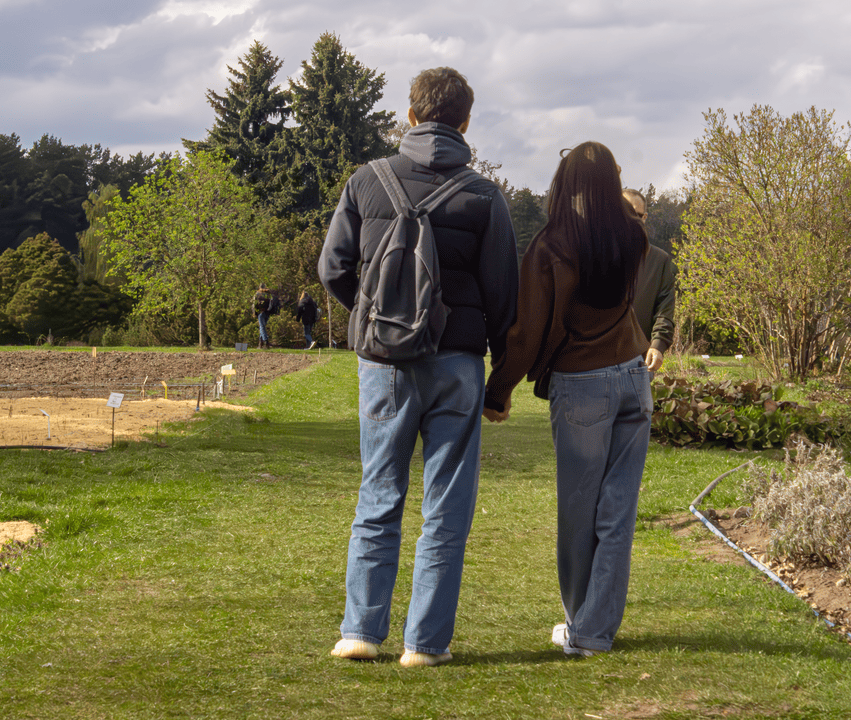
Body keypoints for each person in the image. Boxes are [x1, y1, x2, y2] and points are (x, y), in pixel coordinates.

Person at [318, 66, 518, 668]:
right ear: (464, 121)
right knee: (446, 506)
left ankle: (360, 632)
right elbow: (505, 298)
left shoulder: (366, 182)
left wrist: (378, 317)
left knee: (378, 492)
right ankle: (425, 645)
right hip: (457, 363)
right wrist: (501, 382)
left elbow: (333, 267)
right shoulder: (483, 196)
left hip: (385, 363)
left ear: (410, 116)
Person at [483, 141, 651, 657]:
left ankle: (582, 627)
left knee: (579, 513)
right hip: (634, 380)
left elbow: (526, 333)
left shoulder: (551, 247)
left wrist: (499, 389)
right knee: (618, 513)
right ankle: (595, 631)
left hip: (583, 387)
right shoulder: (634, 238)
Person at [622, 188, 677, 370]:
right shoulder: (594, 255)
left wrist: (658, 344)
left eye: (637, 215)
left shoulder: (660, 260)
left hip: (639, 363)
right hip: (597, 365)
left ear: (644, 217)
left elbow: (664, 311)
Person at [252, 284, 272, 348]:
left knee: (262, 327)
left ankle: (266, 341)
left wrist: (254, 312)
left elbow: (254, 304)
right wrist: (268, 311)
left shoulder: (257, 294)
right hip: (267, 312)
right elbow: (271, 305)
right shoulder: (268, 294)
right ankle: (260, 344)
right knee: (262, 327)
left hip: (260, 312)